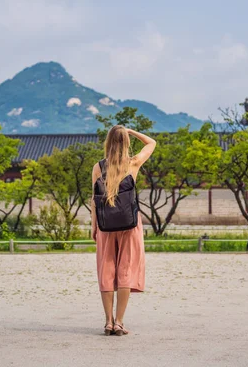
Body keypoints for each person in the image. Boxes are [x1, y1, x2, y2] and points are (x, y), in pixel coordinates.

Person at [91, 125, 156, 336]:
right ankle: (119, 322)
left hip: (105, 225)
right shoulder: (133, 163)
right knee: (125, 269)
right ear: (126, 143)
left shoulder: (98, 168)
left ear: (108, 143)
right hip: (130, 224)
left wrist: (94, 226)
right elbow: (152, 143)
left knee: (107, 270)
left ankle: (108, 322)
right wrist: (131, 132)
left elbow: (94, 201)